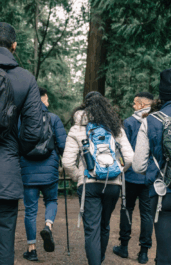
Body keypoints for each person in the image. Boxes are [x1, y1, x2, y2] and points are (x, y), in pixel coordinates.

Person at [62, 91, 134, 265]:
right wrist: (118, 172)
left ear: (84, 106)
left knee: (91, 229)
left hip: (89, 185)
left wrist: (79, 176)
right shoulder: (115, 127)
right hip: (112, 184)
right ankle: (99, 260)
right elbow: (130, 157)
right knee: (104, 224)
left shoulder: (77, 128)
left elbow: (67, 162)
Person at [0, 22, 43, 265]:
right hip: (5, 171)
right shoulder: (26, 79)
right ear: (14, 46)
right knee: (5, 241)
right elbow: (33, 131)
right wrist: (16, 151)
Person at [132, 69, 171, 265]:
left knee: (165, 254)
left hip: (163, 195)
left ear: (161, 94)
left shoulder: (150, 120)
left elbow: (138, 165)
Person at [20, 87, 67, 261]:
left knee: (30, 210)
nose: (48, 103)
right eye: (46, 100)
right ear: (43, 99)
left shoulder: (22, 119)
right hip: (49, 170)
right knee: (51, 200)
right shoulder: (53, 118)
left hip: (28, 171)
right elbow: (63, 145)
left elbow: (17, 144)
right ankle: (48, 226)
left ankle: (31, 249)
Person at [113, 92, 154, 264]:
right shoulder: (155, 122)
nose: (133, 106)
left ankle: (124, 246)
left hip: (129, 176)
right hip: (148, 176)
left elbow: (121, 150)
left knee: (126, 209)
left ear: (142, 105)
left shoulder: (128, 123)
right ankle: (143, 252)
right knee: (146, 214)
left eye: (135, 103)